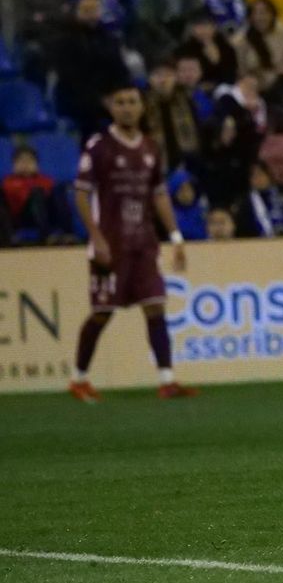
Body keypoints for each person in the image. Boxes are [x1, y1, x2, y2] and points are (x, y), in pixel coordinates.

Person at [68, 85, 198, 402]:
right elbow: (81, 193)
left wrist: (176, 236)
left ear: (142, 107)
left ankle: (167, 381)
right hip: (110, 245)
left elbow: (159, 194)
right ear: (111, 107)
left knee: (155, 306)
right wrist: (96, 237)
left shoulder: (151, 147)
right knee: (102, 312)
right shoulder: (99, 146)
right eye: (120, 102)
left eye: (132, 102)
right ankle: (79, 378)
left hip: (143, 242)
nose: (127, 108)